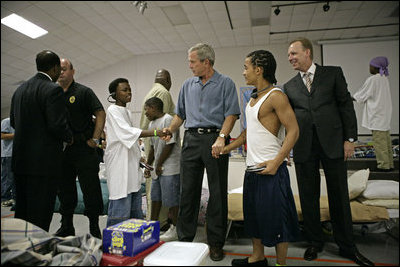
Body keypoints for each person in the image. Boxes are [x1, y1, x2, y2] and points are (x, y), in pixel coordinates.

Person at [283, 38, 374, 266]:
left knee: (339, 196)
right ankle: (315, 241)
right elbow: (289, 121)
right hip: (304, 146)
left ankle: (347, 246)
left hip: (333, 142)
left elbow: (345, 105)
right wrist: (287, 147)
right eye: (289, 55)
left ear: (307, 53)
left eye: (294, 53)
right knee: (308, 196)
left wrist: (349, 139)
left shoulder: (333, 74)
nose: (290, 58)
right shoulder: (290, 86)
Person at [162, 43, 240, 261]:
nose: (189, 66)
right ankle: (185, 239)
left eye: (192, 61)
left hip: (215, 138)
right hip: (191, 139)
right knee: (187, 191)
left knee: (217, 193)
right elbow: (180, 115)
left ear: (206, 62)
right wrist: (171, 128)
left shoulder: (225, 83)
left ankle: (215, 243)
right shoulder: (187, 85)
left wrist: (221, 138)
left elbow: (231, 115)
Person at [223, 50, 300, 266]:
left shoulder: (276, 96)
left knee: (278, 221)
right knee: (254, 218)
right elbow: (248, 133)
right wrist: (227, 148)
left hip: (272, 171)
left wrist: (276, 163)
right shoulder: (253, 99)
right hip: (252, 171)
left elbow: (294, 131)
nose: (243, 72)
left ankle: (280, 264)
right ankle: (257, 257)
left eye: (246, 67)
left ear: (258, 69)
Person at [10, 50, 72, 232]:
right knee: (40, 213)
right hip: (43, 165)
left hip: (20, 162)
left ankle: (21, 250)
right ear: (54, 68)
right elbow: (57, 125)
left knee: (22, 212)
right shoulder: (53, 90)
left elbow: (14, 122)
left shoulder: (19, 90)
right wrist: (69, 137)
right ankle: (37, 252)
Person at [104, 78, 168, 227]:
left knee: (134, 203)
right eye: (124, 90)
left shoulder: (126, 111)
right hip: (119, 163)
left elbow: (131, 140)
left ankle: (135, 240)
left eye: (129, 89)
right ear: (114, 94)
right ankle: (116, 240)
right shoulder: (112, 110)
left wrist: (140, 158)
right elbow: (128, 133)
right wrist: (156, 132)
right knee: (121, 203)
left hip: (130, 163)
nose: (129, 92)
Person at [54, 58, 105, 239]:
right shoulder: (53, 93)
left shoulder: (84, 92)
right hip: (63, 151)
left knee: (91, 190)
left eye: (65, 69)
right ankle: (66, 225)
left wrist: (96, 138)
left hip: (84, 148)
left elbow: (100, 112)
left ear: (73, 71)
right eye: (58, 69)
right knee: (65, 190)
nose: (61, 72)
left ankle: (93, 227)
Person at [139, 69, 175, 230]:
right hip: (164, 159)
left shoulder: (152, 92)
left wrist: (151, 164)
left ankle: (159, 224)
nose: (147, 111)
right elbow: (166, 140)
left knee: (159, 195)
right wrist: (154, 164)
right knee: (164, 197)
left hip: (159, 156)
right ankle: (160, 224)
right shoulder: (163, 93)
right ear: (167, 80)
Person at [144, 97, 181, 242]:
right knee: (156, 198)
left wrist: (158, 164)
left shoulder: (168, 120)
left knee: (172, 201)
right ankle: (152, 227)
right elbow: (153, 147)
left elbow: (169, 144)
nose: (145, 113)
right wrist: (148, 165)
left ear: (153, 107)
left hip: (170, 167)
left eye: (146, 109)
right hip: (158, 168)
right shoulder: (152, 123)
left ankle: (175, 229)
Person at [353, 56, 394, 172]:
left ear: (375, 67)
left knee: (379, 143)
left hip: (377, 117)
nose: (369, 68)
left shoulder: (374, 79)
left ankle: (383, 166)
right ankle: (389, 164)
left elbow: (362, 95)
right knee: (386, 142)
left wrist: (350, 97)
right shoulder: (384, 78)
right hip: (384, 116)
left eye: (370, 66)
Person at [1, 117, 16, 208]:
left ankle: (13, 198)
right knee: (7, 178)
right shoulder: (6, 121)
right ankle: (4, 199)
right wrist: (17, 135)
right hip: (8, 154)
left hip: (16, 154)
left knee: (15, 178)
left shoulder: (20, 121)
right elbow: (2, 136)